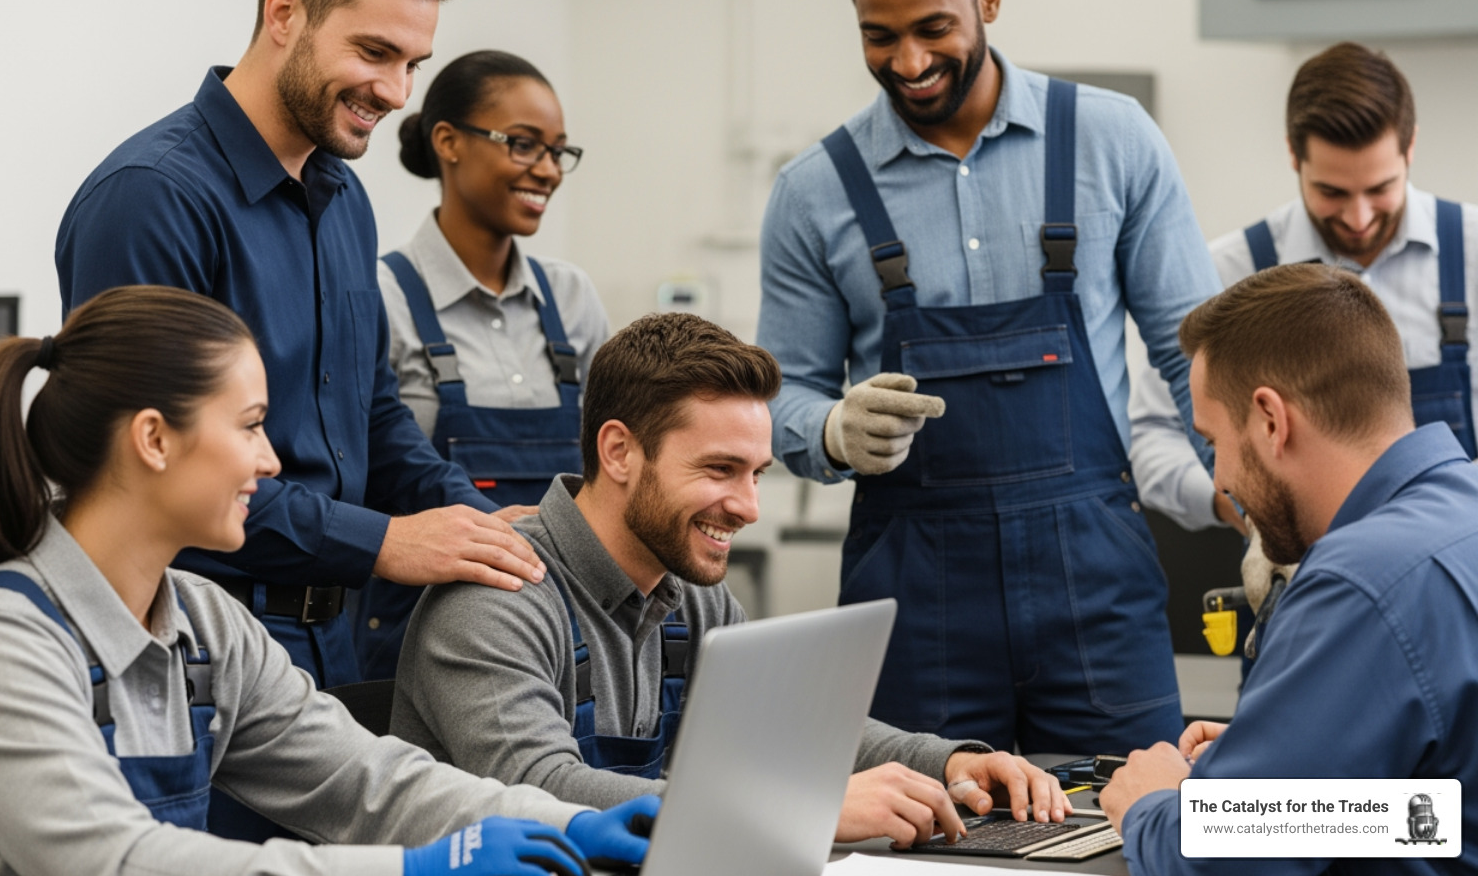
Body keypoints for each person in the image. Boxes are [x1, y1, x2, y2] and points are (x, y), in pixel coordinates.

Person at [0, 285, 657, 876]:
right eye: (251, 426)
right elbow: (118, 860)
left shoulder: (203, 623)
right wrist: (414, 869)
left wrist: (574, 821)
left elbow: (364, 782)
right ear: (154, 439)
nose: (271, 462)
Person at [755, 0, 1219, 754]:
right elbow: (779, 401)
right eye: (878, 35)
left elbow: (1200, 353)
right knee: (926, 838)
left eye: (934, 28)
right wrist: (832, 428)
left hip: (1097, 590)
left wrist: (1255, 493)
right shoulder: (812, 194)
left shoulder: (1112, 142)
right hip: (915, 603)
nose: (908, 60)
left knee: (1136, 823)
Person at [55, 0, 547, 699]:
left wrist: (475, 525)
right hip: (195, 652)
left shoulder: (343, 199)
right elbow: (158, 468)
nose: (397, 91)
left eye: (414, 64)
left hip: (338, 644)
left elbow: (375, 415)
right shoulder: (151, 198)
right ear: (284, 12)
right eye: (376, 52)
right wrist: (385, 542)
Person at [390, 312, 1071, 848]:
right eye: (720, 470)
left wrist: (949, 763)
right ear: (620, 451)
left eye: (756, 474)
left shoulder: (694, 592)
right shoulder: (496, 596)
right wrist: (794, 811)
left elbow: (794, 725)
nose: (747, 507)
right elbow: (540, 789)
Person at [1101, 264, 1478, 875]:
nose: (1219, 478)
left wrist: (1159, 803)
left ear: (1271, 420)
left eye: (1214, 440)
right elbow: (1443, 816)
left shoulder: (1362, 578)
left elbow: (1222, 863)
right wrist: (1292, 761)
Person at [1128, 42, 1478, 660]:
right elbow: (1151, 428)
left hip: (1448, 598)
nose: (1361, 215)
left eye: (1380, 187)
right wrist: (1237, 504)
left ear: (1410, 147)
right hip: (1302, 609)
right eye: (1332, 192)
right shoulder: (1229, 272)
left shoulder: (1472, 254)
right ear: (1293, 155)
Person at [356, 50, 610, 679]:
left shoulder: (572, 299)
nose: (547, 170)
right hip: (421, 635)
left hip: (565, 628)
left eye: (558, 152)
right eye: (524, 145)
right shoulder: (379, 298)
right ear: (448, 142)